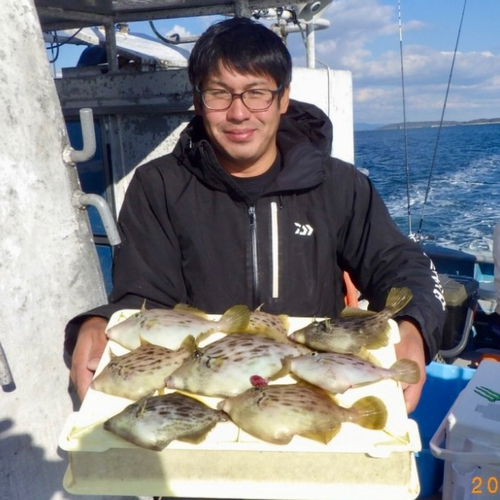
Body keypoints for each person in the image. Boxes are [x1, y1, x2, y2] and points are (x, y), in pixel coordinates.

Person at [65, 16, 445, 413]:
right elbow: (143, 299)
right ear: (198, 101)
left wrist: (415, 324)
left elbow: (400, 263)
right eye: (219, 94)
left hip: (309, 391)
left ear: (283, 99)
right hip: (203, 391)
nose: (239, 113)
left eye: (256, 93)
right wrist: (99, 321)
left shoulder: (339, 185)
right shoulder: (158, 185)